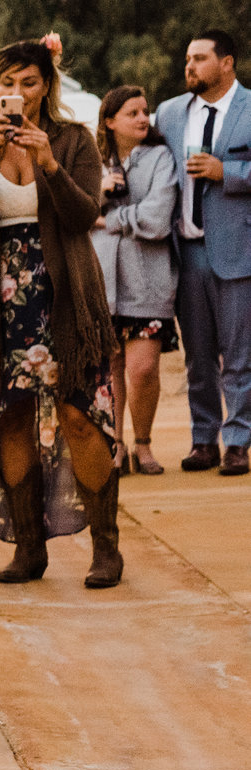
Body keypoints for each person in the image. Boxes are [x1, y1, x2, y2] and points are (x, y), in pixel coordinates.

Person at [0, 39, 120, 588]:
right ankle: (28, 549)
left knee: (80, 416)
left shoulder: (73, 141)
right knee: (12, 416)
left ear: (45, 85)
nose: (15, 93)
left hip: (65, 294)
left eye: (26, 82)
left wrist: (46, 161)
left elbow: (83, 214)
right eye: (6, 83)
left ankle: (106, 549)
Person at [157, 30, 251, 474]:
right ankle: (202, 440)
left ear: (227, 62)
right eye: (187, 59)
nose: (189, 66)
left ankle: (237, 442)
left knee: (239, 355)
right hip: (186, 250)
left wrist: (226, 172)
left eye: (199, 58)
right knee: (198, 356)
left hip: (239, 249)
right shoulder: (170, 113)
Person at [91, 85, 180, 475]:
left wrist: (108, 220)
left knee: (143, 370)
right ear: (110, 121)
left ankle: (144, 444)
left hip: (149, 281)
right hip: (102, 281)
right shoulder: (91, 162)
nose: (144, 118)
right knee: (109, 371)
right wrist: (97, 195)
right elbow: (71, 211)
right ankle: (117, 445)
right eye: (133, 112)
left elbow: (158, 220)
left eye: (146, 111)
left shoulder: (161, 158)